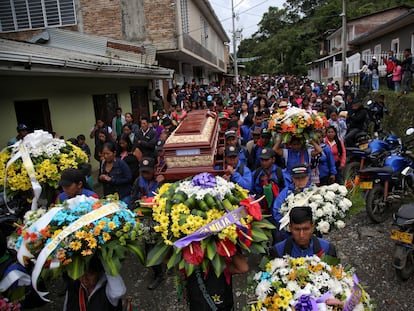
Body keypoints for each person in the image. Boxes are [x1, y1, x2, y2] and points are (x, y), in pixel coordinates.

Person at [129, 158, 166, 290]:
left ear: (154, 170)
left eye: (148, 172)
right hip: (145, 219)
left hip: (159, 219)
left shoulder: (162, 181)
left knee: (161, 245)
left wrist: (162, 186)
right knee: (148, 247)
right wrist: (138, 206)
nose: (145, 175)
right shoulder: (138, 181)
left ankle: (161, 271)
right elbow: (132, 199)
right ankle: (158, 272)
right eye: (143, 172)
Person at [271, 206, 337, 258]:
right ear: (290, 228)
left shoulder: (327, 248)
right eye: (297, 229)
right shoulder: (279, 251)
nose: (301, 235)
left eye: (306, 229)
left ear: (312, 227)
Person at [272, 164, 313, 240]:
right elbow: (276, 211)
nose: (300, 180)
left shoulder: (315, 193)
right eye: (297, 178)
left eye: (303, 177)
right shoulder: (285, 193)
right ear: (292, 178)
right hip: (289, 235)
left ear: (308, 177)